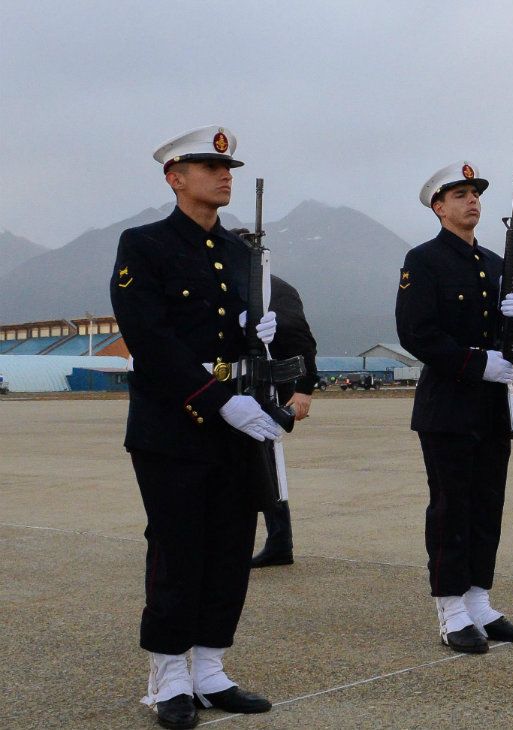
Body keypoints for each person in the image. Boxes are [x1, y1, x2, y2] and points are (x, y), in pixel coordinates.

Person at [111, 125, 281, 729]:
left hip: (236, 420)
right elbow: (150, 340)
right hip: (174, 425)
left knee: (231, 547)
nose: (224, 174)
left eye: (228, 165)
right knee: (179, 547)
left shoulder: (242, 253)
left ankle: (209, 668)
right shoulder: (145, 244)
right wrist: (216, 400)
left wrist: (257, 334)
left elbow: (236, 338)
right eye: (210, 166)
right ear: (174, 177)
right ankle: (167, 676)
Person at [396, 160, 513, 655]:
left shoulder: (497, 264)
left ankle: (480, 602)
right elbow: (416, 334)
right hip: (449, 405)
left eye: (474, 193)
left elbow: (500, 340)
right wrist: (478, 364)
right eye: (458, 195)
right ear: (438, 207)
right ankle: (451, 609)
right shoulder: (424, 260)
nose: (471, 200)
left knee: (486, 506)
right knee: (452, 507)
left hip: (492, 406)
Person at [249, 274, 318, 568]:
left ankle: (279, 541)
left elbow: (300, 339)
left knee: (267, 464)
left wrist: (303, 389)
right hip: (237, 388)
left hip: (266, 388)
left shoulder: (270, 289)